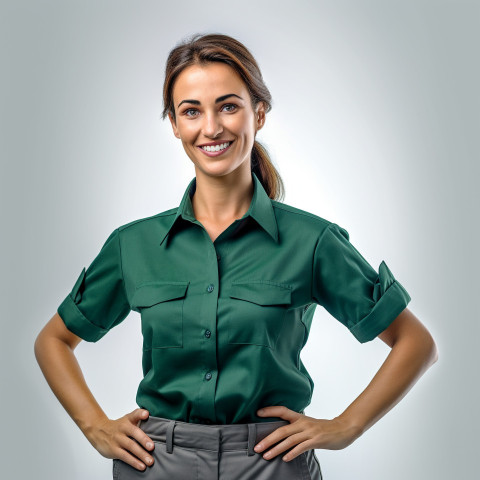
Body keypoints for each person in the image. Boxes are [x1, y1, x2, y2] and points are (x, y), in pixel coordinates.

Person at [34, 32, 438, 480]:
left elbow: (415, 342)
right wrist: (94, 426)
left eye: (228, 106)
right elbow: (53, 340)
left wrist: (346, 426)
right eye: (191, 111)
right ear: (174, 124)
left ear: (258, 113)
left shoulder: (313, 240)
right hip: (156, 463)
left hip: (272, 463)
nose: (211, 128)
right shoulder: (134, 245)